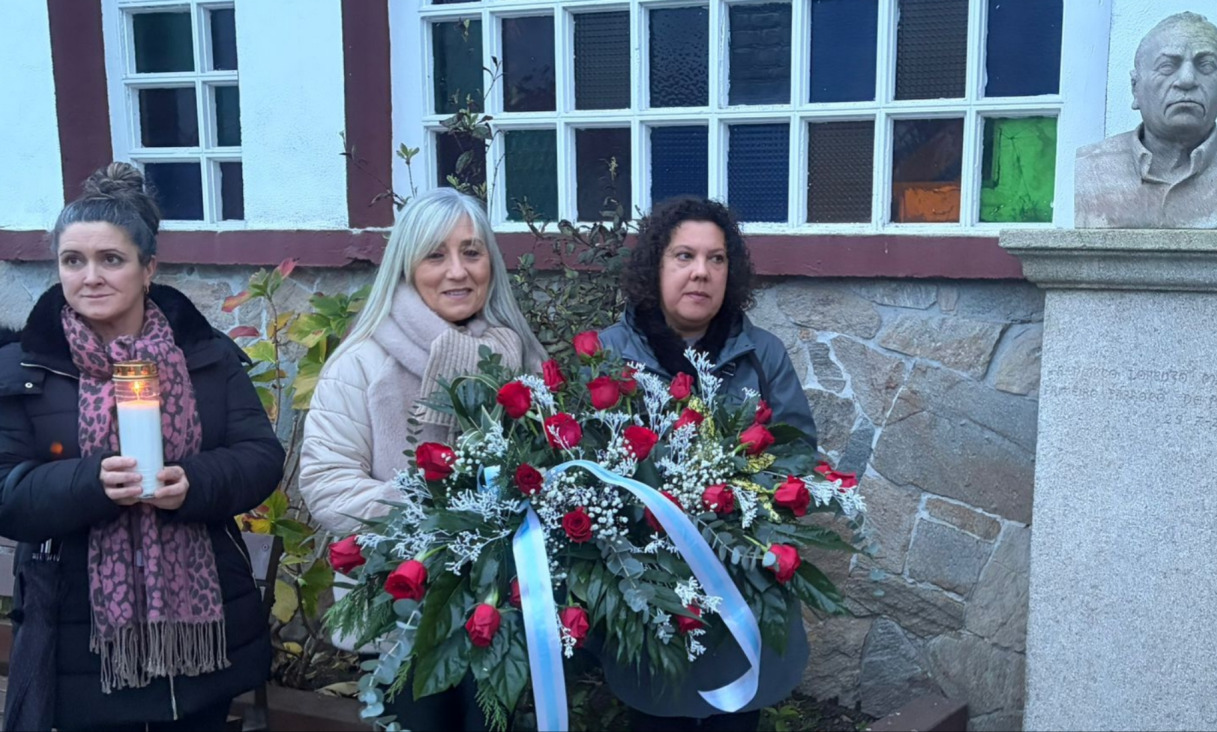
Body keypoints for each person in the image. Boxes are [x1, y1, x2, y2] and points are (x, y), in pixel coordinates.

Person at [0, 163, 282, 731]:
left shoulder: (206, 355)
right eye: (72, 261)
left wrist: (193, 483)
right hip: (78, 642)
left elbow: (259, 456)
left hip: (201, 644)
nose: (90, 277)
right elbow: (6, 491)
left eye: (112, 259)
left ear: (148, 267)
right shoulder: (24, 367)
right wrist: (91, 483)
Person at [299, 187, 545, 731]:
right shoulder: (362, 364)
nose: (457, 271)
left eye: (472, 252)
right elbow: (326, 485)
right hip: (401, 615)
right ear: (406, 267)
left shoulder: (520, 356)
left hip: (500, 615)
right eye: (436, 255)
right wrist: (444, 514)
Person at [598, 196, 817, 731]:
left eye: (716, 259)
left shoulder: (762, 355)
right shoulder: (607, 354)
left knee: (735, 714)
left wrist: (741, 502)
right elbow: (584, 466)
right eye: (684, 256)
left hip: (738, 588)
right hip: (649, 590)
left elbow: (798, 453)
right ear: (656, 265)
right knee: (658, 712)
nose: (701, 273)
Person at [1074, 12, 1217, 229]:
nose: (1187, 80)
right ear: (1135, 87)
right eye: (1167, 66)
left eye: (1206, 66)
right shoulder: (1093, 164)